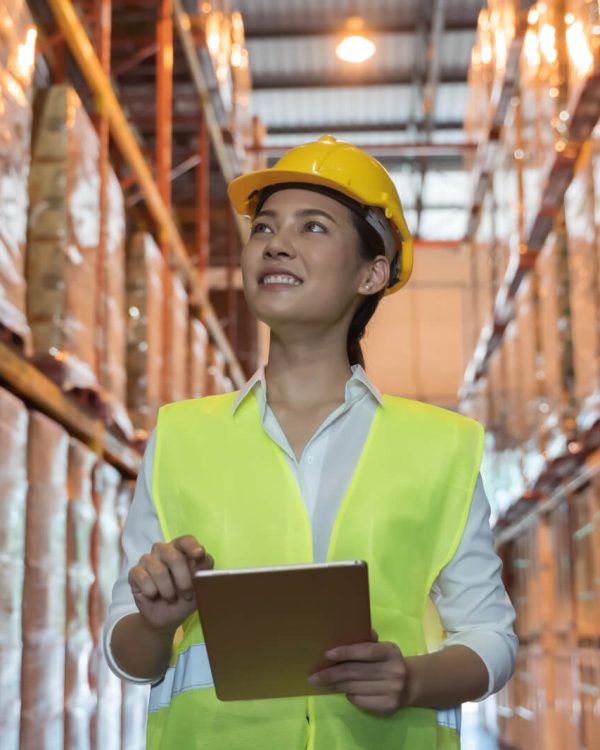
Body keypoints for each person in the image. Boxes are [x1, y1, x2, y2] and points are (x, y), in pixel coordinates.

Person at [104, 135, 517, 749]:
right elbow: (129, 653)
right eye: (264, 227)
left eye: (313, 227)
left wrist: (413, 679)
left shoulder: (440, 447)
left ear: (371, 273)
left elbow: (492, 637)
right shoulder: (182, 435)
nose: (277, 242)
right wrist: (156, 623)